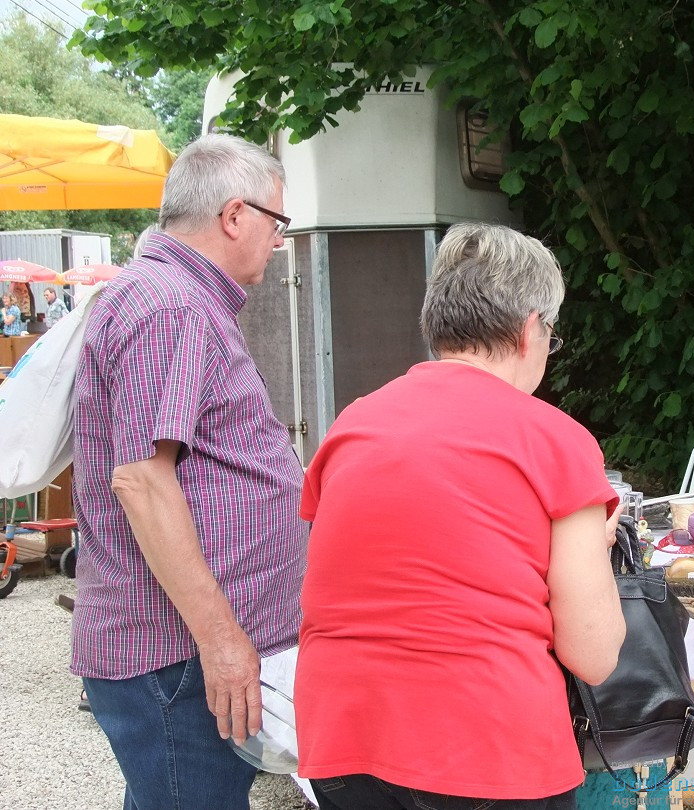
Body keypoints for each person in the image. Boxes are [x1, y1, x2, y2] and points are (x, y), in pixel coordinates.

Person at [295, 222, 626, 809]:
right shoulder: (555, 441)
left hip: (344, 734)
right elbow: (594, 654)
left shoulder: (352, 425)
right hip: (488, 747)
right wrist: (591, 551)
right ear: (530, 331)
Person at [71, 133, 307, 810]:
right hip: (177, 657)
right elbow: (142, 480)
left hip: (179, 655)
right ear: (235, 215)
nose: (279, 241)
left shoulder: (175, 297)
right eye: (277, 223)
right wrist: (223, 641)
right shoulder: (172, 305)